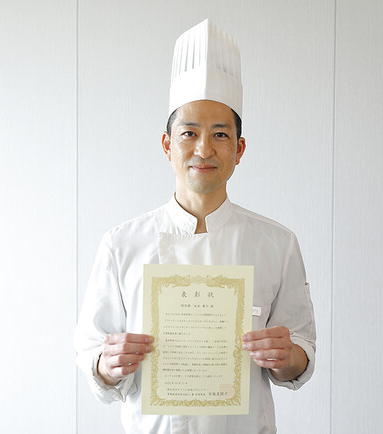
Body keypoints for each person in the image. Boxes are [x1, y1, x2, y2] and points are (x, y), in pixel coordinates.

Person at [74, 19, 316, 434]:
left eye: (220, 134)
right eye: (189, 133)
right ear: (167, 145)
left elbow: (302, 350)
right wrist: (106, 364)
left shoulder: (277, 244)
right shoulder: (121, 244)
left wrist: (287, 356)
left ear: (239, 149)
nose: (204, 149)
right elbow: (91, 352)